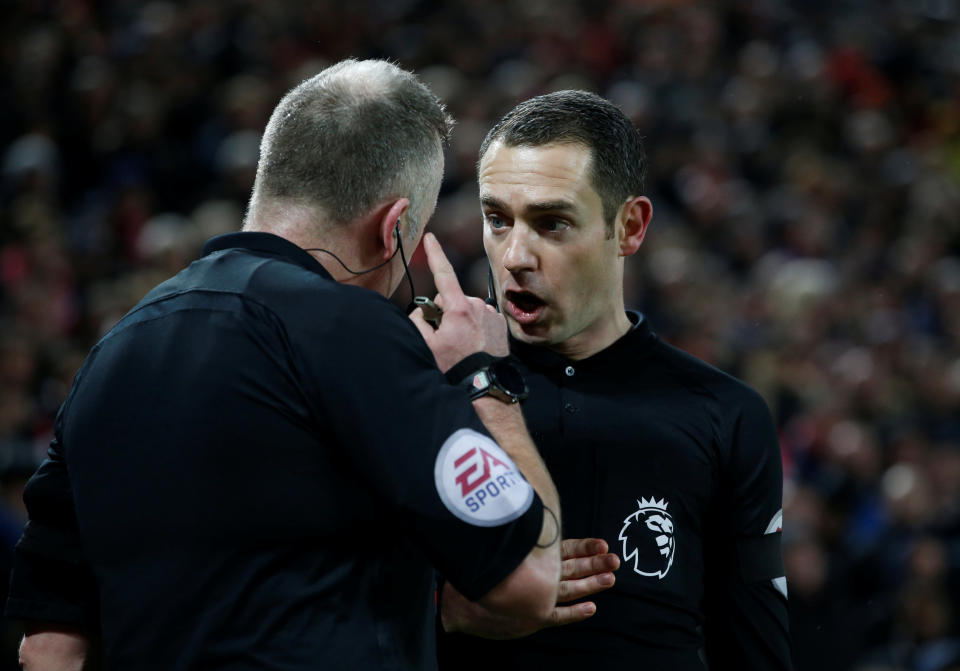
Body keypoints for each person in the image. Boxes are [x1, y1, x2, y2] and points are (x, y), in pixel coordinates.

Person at [6, 59, 569, 671]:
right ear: (391, 232)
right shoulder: (353, 331)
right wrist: (482, 375)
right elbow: (531, 577)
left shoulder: (109, 356)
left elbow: (49, 652)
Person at [436, 91, 791, 669]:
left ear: (628, 227)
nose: (515, 256)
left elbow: (756, 650)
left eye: (552, 223)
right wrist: (440, 608)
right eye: (497, 219)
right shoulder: (429, 387)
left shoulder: (724, 415)